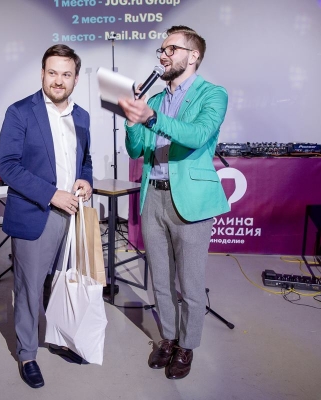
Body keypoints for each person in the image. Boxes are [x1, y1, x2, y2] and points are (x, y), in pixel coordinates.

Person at [118, 25, 229, 380]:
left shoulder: (213, 94)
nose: (163, 56)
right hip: (154, 196)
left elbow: (197, 135)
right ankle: (168, 337)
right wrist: (133, 119)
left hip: (190, 201)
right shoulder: (153, 100)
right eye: (161, 50)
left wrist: (151, 118)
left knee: (190, 283)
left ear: (193, 55)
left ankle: (187, 346)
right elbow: (136, 149)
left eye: (171, 49)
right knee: (161, 280)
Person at [0, 44, 93, 389]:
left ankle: (59, 338)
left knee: (62, 284)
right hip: (36, 213)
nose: (58, 80)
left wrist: (86, 180)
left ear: (76, 79)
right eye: (52, 72)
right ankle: (27, 354)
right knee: (29, 288)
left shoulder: (82, 116)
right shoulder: (20, 112)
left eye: (66, 74)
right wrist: (52, 194)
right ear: (42, 73)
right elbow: (7, 166)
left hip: (72, 215)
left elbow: (85, 160)